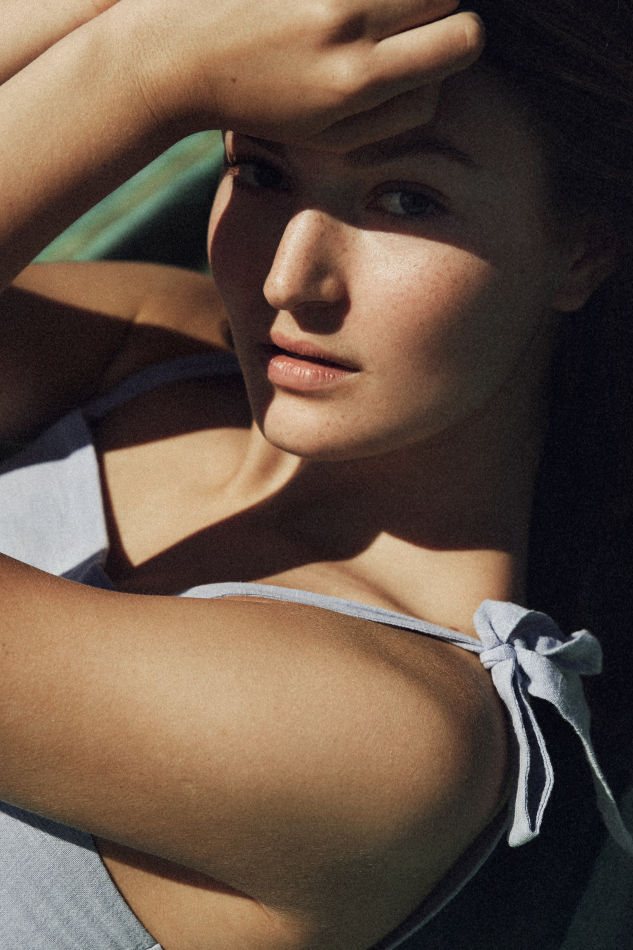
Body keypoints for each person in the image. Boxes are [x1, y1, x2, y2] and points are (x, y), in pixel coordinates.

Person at [0, 1, 631, 948]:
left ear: (580, 250)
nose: (287, 281)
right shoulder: (161, 346)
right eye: (261, 171)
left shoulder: (391, 743)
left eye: (406, 199)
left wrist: (142, 72)